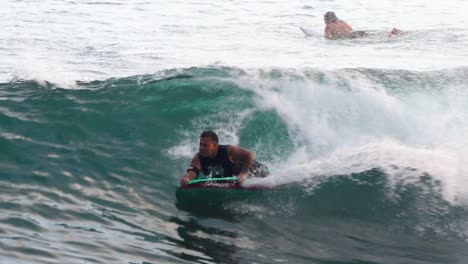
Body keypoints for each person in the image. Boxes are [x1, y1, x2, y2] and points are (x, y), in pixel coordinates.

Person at [180, 131, 269, 187]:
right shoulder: (198, 158)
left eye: (205, 145)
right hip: (232, 179)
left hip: (256, 171)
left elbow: (250, 155)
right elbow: (193, 171)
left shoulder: (228, 151)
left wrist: (244, 173)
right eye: (201, 144)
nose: (201, 148)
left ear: (215, 145)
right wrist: (187, 179)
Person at [324, 11, 403, 39]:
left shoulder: (328, 26)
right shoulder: (342, 21)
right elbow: (351, 29)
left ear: (327, 19)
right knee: (373, 36)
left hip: (351, 37)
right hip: (356, 33)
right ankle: (392, 33)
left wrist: (335, 38)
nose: (324, 21)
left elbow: (327, 37)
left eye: (325, 19)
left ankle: (391, 33)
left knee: (373, 39)